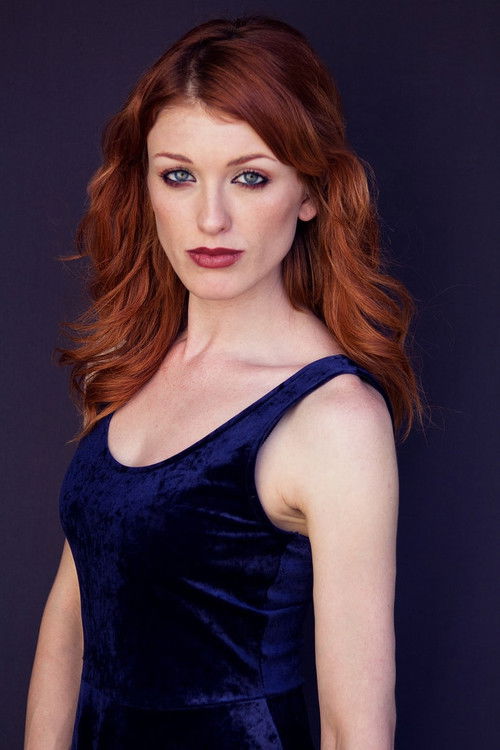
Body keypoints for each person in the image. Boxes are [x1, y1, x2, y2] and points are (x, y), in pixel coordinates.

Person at [24, 14, 426, 750]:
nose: (210, 219)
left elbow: (357, 729)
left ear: (309, 191)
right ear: (147, 186)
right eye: (179, 175)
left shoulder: (334, 418)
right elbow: (69, 626)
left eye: (250, 177)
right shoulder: (135, 365)